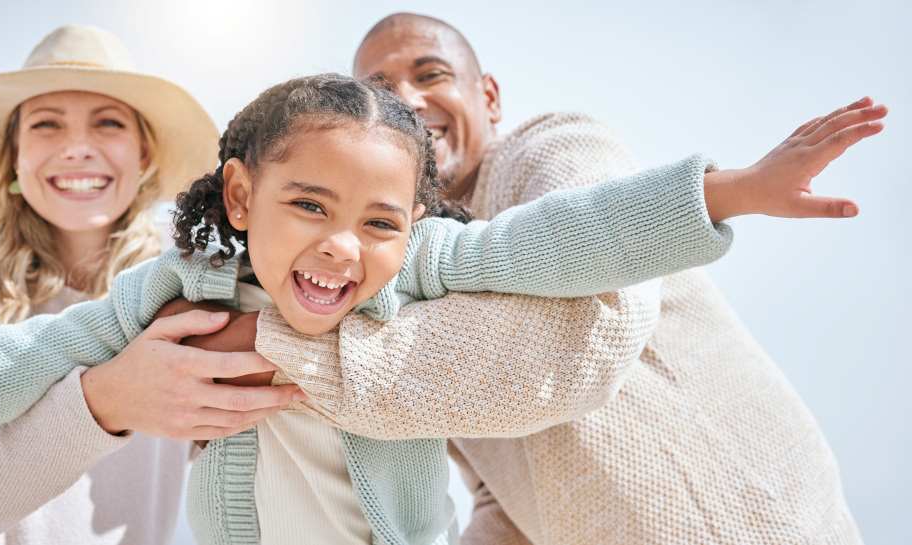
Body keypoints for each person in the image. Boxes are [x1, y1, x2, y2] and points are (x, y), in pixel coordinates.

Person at [0, 68, 881, 543]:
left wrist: (728, 189)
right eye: (308, 205)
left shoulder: (429, 263)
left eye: (377, 219)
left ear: (413, 217)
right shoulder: (175, 289)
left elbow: (563, 235)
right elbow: (18, 356)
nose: (339, 244)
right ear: (240, 198)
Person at [255, 12, 865, 544]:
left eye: (431, 74)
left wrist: (268, 346)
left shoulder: (551, 147)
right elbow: (502, 490)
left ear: (489, 97)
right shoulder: (399, 268)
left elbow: (582, 341)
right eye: (383, 93)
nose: (409, 101)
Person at [0, 24, 301, 545]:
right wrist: (105, 402)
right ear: (15, 156)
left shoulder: (190, 275)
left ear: (144, 156)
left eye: (108, 123)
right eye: (47, 125)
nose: (78, 149)